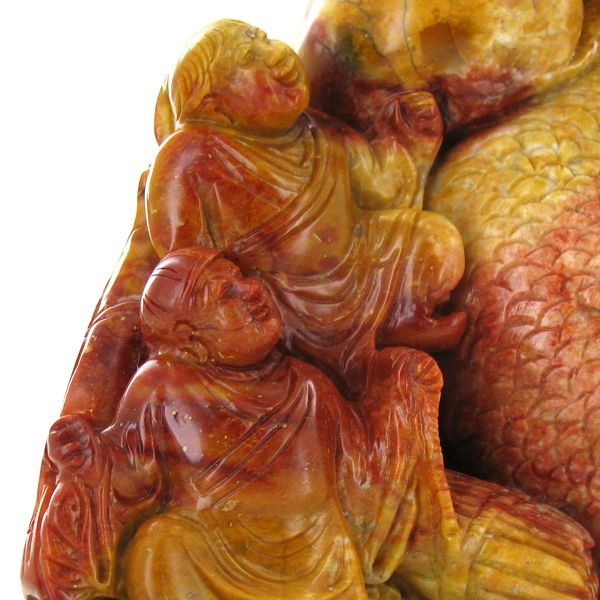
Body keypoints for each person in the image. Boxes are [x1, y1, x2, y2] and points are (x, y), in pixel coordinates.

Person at [25, 248, 598, 600]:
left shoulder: (306, 384)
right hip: (214, 547)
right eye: (224, 295)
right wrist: (89, 463)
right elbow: (133, 478)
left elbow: (363, 478)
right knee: (160, 545)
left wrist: (402, 400)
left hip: (318, 553)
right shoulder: (162, 387)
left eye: (242, 278)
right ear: (190, 341)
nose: (251, 292)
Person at [147, 19, 466, 398]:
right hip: (283, 303)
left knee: (437, 239)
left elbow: (379, 184)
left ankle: (404, 316)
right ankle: (364, 349)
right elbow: (181, 258)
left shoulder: (315, 129)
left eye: (264, 38)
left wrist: (411, 138)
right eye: (250, 57)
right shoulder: (193, 155)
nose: (274, 54)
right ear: (216, 108)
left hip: (361, 263)